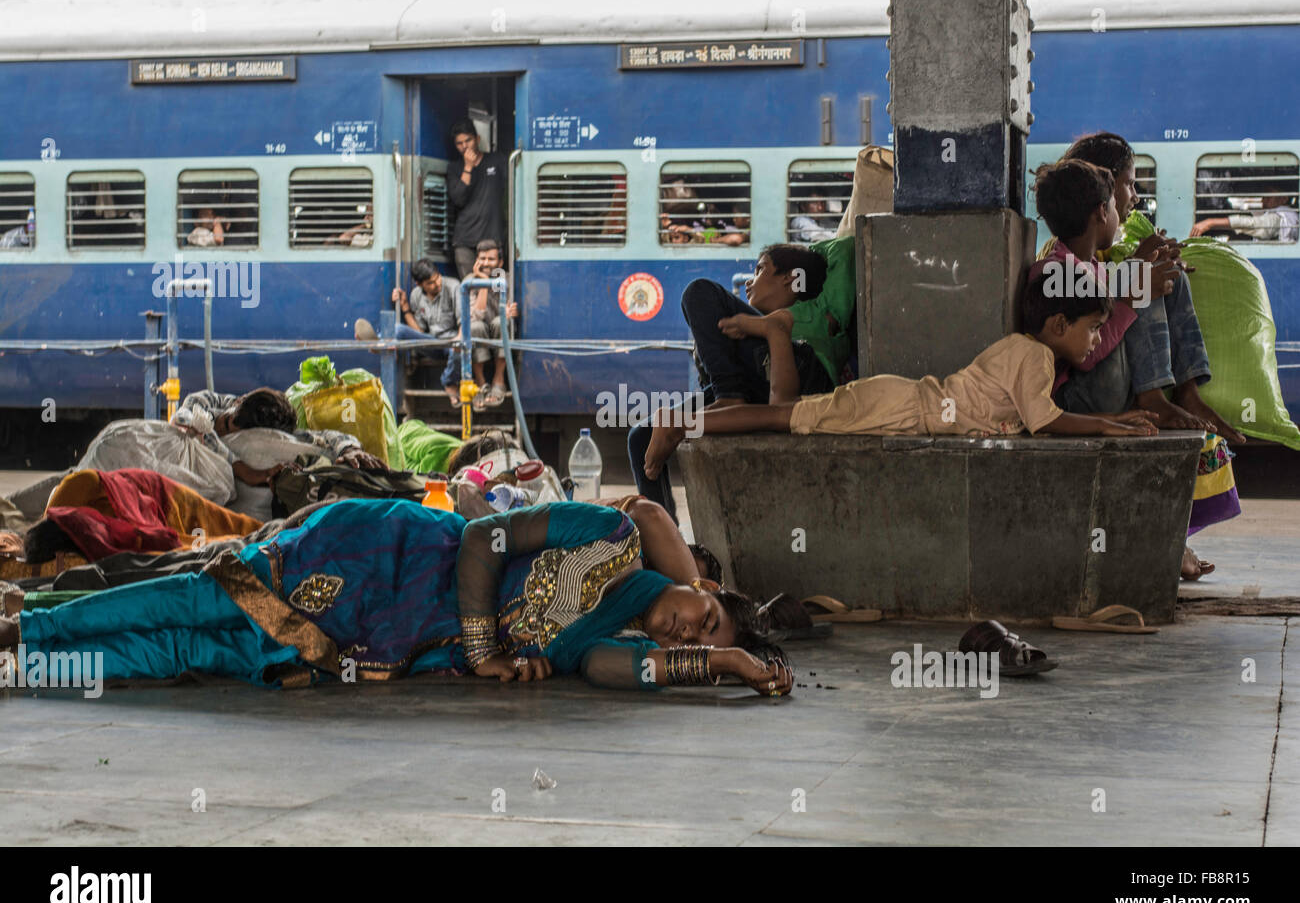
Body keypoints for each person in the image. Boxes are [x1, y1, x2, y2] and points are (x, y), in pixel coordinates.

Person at [641, 164, 1162, 479]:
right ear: (1055, 325)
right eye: (1093, 328)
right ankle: (683, 421)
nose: (1097, 340)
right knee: (781, 417)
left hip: (899, 402)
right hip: (899, 408)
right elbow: (1049, 421)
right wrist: (1111, 425)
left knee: (784, 415)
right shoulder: (1034, 358)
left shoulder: (1028, 351)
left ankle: (690, 419)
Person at [2, 501, 794, 697]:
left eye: (693, 639)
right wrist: (486, 650)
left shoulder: (598, 645)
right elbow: (485, 543)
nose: (686, 630)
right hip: (386, 558)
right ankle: (28, 624)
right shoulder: (609, 536)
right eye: (708, 614)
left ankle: (26, 667)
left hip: (383, 641)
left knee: (202, 650)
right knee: (205, 598)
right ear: (702, 584)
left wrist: (722, 662)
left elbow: (629, 674)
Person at [627, 243, 847, 522]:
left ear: (791, 278)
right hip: (754, 390)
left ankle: (729, 397)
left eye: (760, 269)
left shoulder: (813, 314)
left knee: (699, 291)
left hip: (802, 375)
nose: (749, 281)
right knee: (641, 436)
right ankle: (667, 541)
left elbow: (844, 247)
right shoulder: (747, 334)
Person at [1050, 133, 1244, 444]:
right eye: (1129, 185)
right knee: (1142, 277)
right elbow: (1084, 346)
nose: (1135, 197)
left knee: (1167, 275)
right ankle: (1153, 399)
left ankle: (1187, 393)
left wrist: (1150, 261)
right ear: (1103, 199)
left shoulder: (1096, 257)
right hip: (1083, 393)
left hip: (1105, 378)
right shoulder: (1059, 262)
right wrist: (1139, 270)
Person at [171, 388, 383, 486]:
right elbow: (184, 419)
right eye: (226, 424)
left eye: (232, 433)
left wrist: (348, 449)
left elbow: (326, 437)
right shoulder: (207, 402)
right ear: (238, 402)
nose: (224, 432)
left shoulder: (271, 437)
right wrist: (237, 466)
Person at [355, 257, 463, 406]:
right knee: (398, 328)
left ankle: (449, 382)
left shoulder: (454, 286)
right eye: (430, 283)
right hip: (431, 342)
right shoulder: (416, 295)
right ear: (419, 284)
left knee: (458, 349)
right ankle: (377, 343)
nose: (436, 284)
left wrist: (458, 340)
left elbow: (464, 321)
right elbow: (418, 331)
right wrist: (405, 307)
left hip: (452, 342)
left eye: (437, 278)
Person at [461, 239, 518, 411]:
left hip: (499, 330)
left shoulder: (509, 279)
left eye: (491, 259)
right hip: (481, 333)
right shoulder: (469, 281)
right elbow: (475, 315)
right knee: (475, 326)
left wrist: (511, 312)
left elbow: (511, 311)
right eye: (482, 259)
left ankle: (498, 379)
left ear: (500, 262)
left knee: (501, 321)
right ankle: (480, 383)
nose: (486, 263)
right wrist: (484, 281)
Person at [447, 120, 507, 278]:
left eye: (468, 140)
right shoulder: (454, 168)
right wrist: (468, 167)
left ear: (477, 139)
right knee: (470, 289)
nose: (464, 146)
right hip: (465, 241)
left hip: (492, 240)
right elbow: (458, 199)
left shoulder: (496, 161)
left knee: (494, 291)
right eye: (459, 143)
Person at [1190, 194, 1299, 243]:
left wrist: (1210, 223)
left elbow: (1254, 225)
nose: (1263, 200)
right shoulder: (1288, 215)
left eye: (1268, 196)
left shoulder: (1282, 216)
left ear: (1284, 198)